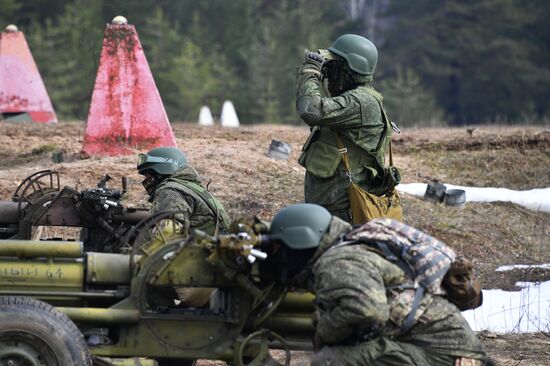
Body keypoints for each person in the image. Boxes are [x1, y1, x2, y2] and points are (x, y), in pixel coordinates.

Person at [263, 203, 492, 366]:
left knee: (332, 361)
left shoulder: (337, 261)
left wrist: (324, 331)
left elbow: (366, 311)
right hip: (445, 351)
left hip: (445, 355)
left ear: (299, 242)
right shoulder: (353, 247)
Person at [296, 34, 401, 223]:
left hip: (344, 215)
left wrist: (310, 72)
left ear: (348, 69)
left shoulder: (361, 101)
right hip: (331, 210)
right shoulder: (354, 98)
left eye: (334, 65)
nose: (328, 71)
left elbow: (310, 109)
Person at [137, 146, 231, 306]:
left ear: (160, 171)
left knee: (135, 273)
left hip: (199, 276)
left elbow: (167, 238)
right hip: (217, 270)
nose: (146, 180)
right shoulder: (195, 190)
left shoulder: (171, 191)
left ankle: (161, 323)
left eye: (148, 174)